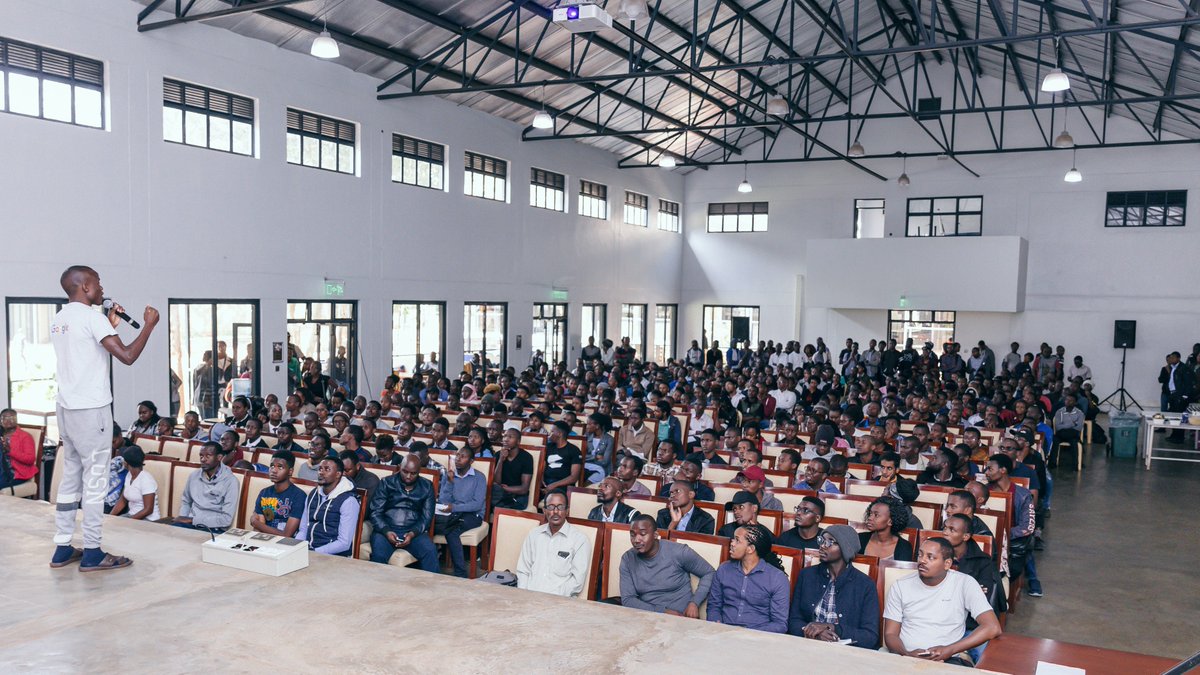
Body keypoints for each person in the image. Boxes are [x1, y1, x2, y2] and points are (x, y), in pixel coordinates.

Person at [48, 266, 158, 571]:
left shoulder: (60, 319)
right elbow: (127, 356)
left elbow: (88, 351)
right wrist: (148, 325)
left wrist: (109, 325)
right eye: (97, 283)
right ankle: (93, 551)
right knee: (95, 480)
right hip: (90, 409)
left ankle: (62, 546)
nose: (101, 288)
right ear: (84, 286)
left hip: (66, 409)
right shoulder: (91, 318)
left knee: (71, 477)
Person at [882, 538, 1002, 666]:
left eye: (930, 557)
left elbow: (992, 627)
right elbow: (890, 634)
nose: (922, 560)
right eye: (920, 554)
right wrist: (906, 654)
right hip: (903, 657)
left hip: (947, 658)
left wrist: (949, 649)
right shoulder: (901, 585)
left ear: (947, 563)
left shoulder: (965, 584)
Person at [788, 524, 880, 648]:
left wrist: (834, 629)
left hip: (846, 652)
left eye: (830, 542)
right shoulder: (807, 575)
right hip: (808, 646)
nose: (822, 546)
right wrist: (816, 634)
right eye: (822, 540)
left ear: (845, 549)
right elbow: (794, 621)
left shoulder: (865, 585)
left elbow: (870, 637)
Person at [619, 514, 715, 614]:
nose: (636, 540)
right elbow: (628, 599)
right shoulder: (627, 559)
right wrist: (663, 612)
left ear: (655, 535)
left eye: (643, 534)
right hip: (647, 616)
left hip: (682, 618)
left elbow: (710, 572)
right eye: (632, 535)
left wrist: (695, 602)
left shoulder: (679, 552)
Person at [706, 523, 789, 633]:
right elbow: (714, 606)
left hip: (758, 638)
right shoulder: (724, 569)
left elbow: (779, 624)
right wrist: (716, 624)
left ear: (750, 549)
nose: (732, 543)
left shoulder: (777, 578)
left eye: (737, 540)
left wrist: (747, 633)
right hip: (722, 634)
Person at [367, 455, 439, 571]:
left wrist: (412, 533)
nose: (408, 477)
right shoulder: (386, 483)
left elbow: (426, 517)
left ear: (419, 472)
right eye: (405, 472)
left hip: (414, 532)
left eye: (413, 473)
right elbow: (375, 512)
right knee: (378, 556)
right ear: (399, 467)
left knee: (430, 551)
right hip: (385, 530)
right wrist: (386, 531)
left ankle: (432, 588)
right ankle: (376, 588)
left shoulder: (427, 486)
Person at [515, 491, 592, 597]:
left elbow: (577, 581)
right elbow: (523, 570)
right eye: (551, 507)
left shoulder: (579, 540)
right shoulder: (534, 534)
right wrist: (525, 594)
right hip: (529, 597)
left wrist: (552, 597)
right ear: (544, 511)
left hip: (559, 602)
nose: (555, 511)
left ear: (567, 511)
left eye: (560, 507)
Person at [433, 446, 487, 577]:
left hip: (472, 515)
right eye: (457, 455)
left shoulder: (479, 477)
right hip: (452, 513)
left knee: (451, 531)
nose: (458, 459)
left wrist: (455, 508)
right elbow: (444, 500)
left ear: (471, 461)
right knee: (430, 523)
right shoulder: (449, 474)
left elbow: (477, 504)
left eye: (463, 456)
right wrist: (450, 482)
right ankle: (433, 567)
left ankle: (460, 573)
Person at [296, 456, 360, 557]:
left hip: (334, 556)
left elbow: (344, 543)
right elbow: (303, 529)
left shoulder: (348, 501)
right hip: (309, 550)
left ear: (338, 474)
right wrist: (297, 548)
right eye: (320, 469)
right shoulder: (312, 494)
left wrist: (314, 552)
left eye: (327, 469)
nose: (321, 472)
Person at [174, 441, 239, 533]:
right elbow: (186, 501)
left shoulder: (231, 481)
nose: (203, 459)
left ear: (219, 457)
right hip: (191, 524)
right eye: (201, 456)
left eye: (208, 456)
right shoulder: (194, 476)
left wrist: (193, 520)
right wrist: (183, 519)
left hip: (214, 528)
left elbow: (226, 519)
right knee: (168, 535)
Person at [249, 450, 306, 537]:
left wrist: (255, 522)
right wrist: (258, 525)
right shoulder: (264, 493)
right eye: (272, 466)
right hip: (264, 541)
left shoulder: (299, 496)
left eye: (280, 467)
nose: (274, 471)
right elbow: (258, 531)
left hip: (286, 545)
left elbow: (287, 535)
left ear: (290, 471)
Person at [108, 447, 159, 521]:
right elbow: (123, 500)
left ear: (127, 463)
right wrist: (110, 517)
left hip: (148, 519)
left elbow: (148, 509)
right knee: (109, 525)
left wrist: (129, 521)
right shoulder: (129, 475)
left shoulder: (146, 479)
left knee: (117, 528)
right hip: (132, 515)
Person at [859, 495, 913, 561]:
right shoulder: (859, 539)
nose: (870, 518)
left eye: (876, 515)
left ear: (890, 521)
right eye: (870, 514)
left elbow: (903, 571)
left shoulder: (904, 547)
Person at [492, 428, 533, 510]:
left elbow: (524, 488)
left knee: (497, 505)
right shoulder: (497, 455)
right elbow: (497, 482)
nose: (506, 439)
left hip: (518, 496)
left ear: (518, 441)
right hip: (499, 494)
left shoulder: (526, 457)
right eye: (505, 436)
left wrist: (505, 489)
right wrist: (501, 460)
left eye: (510, 437)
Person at [0, 408, 38, 491]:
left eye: (12, 417)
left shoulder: (25, 436)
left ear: (16, 419)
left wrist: (10, 451)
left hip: (16, 473)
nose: (8, 420)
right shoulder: (1, 435)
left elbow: (30, 459)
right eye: (4, 418)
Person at [543, 420, 582, 494]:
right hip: (546, 483)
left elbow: (574, 477)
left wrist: (554, 485)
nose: (549, 433)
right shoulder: (548, 447)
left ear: (560, 434)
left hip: (563, 485)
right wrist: (541, 481)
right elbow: (542, 468)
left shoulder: (574, 450)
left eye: (552, 431)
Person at [340, 450, 380, 516]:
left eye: (347, 470)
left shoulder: (371, 481)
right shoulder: (337, 476)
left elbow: (364, 512)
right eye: (340, 470)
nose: (343, 474)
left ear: (357, 466)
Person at [582, 412, 614, 483]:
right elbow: (581, 456)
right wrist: (595, 457)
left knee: (588, 481)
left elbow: (605, 462)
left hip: (602, 468)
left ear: (597, 426)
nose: (587, 426)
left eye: (589, 424)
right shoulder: (586, 436)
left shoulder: (609, 439)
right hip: (586, 465)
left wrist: (588, 458)